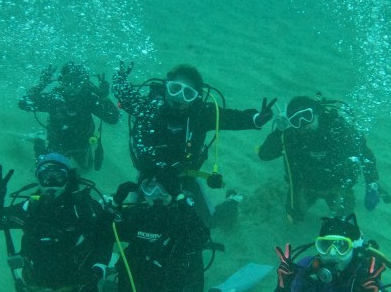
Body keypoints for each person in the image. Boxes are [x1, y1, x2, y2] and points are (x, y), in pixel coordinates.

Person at [112, 61, 275, 225]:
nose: (179, 97)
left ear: (195, 97)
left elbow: (230, 118)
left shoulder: (201, 115)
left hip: (184, 177)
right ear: (166, 87)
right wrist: (119, 75)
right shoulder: (148, 108)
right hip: (150, 177)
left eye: (188, 93)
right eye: (175, 89)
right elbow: (123, 94)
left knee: (207, 223)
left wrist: (256, 119)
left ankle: (231, 202)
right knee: (134, 223)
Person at [0, 153, 117, 292]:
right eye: (46, 176)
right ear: (38, 178)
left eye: (58, 176)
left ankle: (110, 287)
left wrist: (99, 268)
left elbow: (105, 237)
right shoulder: (30, 209)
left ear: (69, 178)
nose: (52, 182)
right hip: (43, 283)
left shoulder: (85, 208)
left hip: (81, 280)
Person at [258, 94, 384, 223]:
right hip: (304, 185)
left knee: (344, 220)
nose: (303, 124)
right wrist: (279, 131)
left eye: (307, 116)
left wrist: (371, 185)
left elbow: (365, 154)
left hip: (338, 185)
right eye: (296, 121)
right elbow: (265, 155)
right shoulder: (291, 135)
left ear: (317, 112)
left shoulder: (338, 129)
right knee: (293, 218)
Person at [18, 62, 120, 169]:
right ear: (61, 81)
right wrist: (41, 84)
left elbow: (114, 119)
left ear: (85, 83)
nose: (72, 87)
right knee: (46, 168)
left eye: (77, 82)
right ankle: (39, 143)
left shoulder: (88, 99)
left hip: (82, 143)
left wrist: (104, 97)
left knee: (86, 169)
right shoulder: (54, 99)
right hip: (57, 143)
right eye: (68, 81)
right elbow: (23, 103)